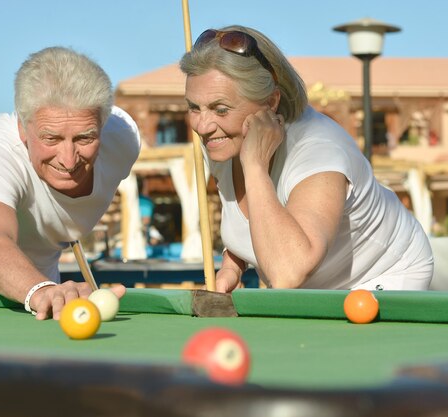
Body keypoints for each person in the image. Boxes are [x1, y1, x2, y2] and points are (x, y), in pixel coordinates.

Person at [179, 26, 433, 293]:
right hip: (309, 282)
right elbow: (256, 220)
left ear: (271, 102)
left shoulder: (319, 150)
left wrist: (254, 166)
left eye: (221, 109)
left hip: (384, 272)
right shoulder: (224, 140)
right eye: (194, 107)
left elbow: (288, 272)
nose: (203, 126)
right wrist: (232, 266)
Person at [0, 47, 141, 319]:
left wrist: (45, 288)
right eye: (51, 139)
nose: (68, 161)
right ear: (22, 127)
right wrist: (41, 289)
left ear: (103, 126)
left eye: (84, 138)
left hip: (40, 270)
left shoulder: (123, 140)